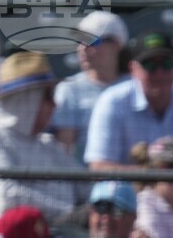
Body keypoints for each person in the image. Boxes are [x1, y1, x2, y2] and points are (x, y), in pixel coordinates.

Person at [0, 51, 90, 238]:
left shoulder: (47, 144)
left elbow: (87, 185)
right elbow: (6, 195)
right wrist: (67, 213)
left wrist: (100, 206)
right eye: (48, 96)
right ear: (27, 100)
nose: (55, 105)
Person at [84, 31, 173, 170]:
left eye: (166, 64)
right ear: (133, 69)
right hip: (129, 189)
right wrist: (157, 177)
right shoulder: (112, 102)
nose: (159, 73)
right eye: (150, 65)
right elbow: (99, 167)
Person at [52, 10, 130, 160]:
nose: (82, 49)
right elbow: (64, 152)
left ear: (115, 46)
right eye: (79, 42)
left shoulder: (136, 87)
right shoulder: (69, 89)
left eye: (91, 41)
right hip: (84, 180)